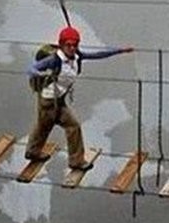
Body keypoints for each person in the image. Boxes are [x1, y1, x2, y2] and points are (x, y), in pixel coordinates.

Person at [25, 26, 134, 170]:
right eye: (68, 45)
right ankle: (36, 152)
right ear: (61, 44)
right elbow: (32, 68)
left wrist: (120, 51)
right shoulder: (54, 60)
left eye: (74, 45)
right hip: (48, 101)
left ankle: (72, 160)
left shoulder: (77, 56)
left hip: (59, 99)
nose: (71, 48)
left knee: (66, 126)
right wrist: (39, 74)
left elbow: (98, 55)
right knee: (47, 126)